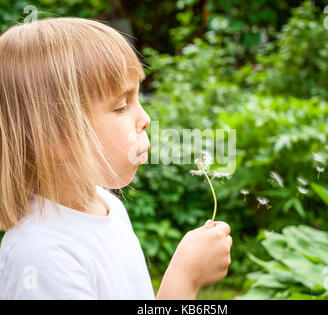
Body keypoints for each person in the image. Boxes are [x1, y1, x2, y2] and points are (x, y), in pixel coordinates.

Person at [0, 17, 232, 299]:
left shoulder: (108, 205)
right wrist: (184, 278)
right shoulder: (40, 255)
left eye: (137, 99)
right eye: (121, 106)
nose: (145, 118)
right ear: (56, 138)